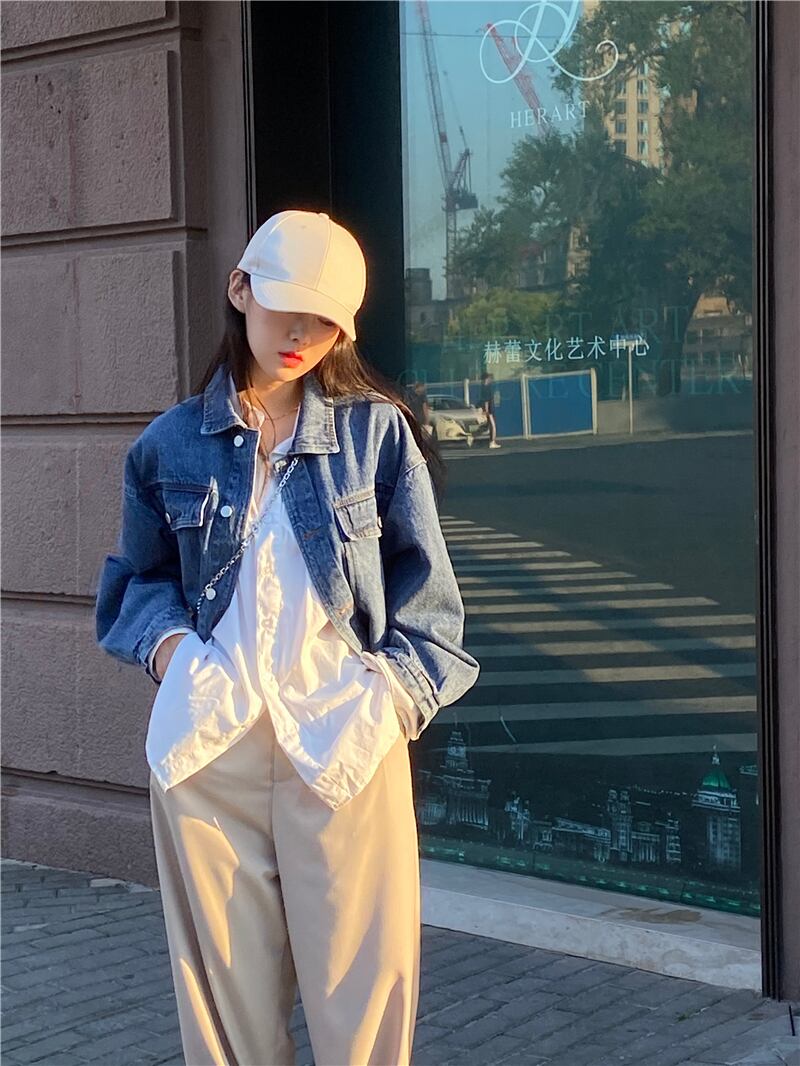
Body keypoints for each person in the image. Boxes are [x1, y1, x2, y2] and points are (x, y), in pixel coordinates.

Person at [94, 209, 480, 1066]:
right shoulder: (167, 445)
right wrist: (179, 661)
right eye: (285, 307)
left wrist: (386, 700)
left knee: (364, 1018)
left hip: (344, 737)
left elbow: (433, 608)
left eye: (324, 318)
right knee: (227, 1025)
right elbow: (134, 584)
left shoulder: (374, 433)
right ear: (241, 290)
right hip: (211, 744)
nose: (301, 333)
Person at [480, 371, 501, 448]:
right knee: (493, 426)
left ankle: (491, 441)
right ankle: (492, 442)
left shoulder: (484, 387)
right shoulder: (485, 388)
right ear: (486, 379)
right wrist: (486, 411)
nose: (490, 379)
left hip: (489, 409)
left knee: (490, 425)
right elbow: (486, 400)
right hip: (489, 410)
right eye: (489, 378)